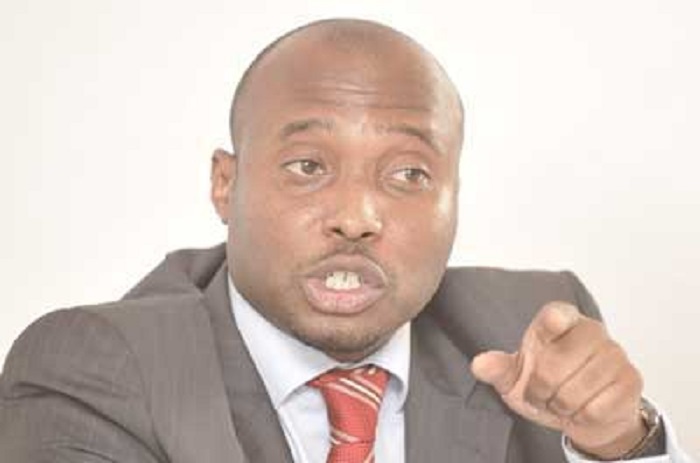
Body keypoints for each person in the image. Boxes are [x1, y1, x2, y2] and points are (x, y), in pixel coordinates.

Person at [0, 18, 693, 463]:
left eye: (408, 174)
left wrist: (615, 443)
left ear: (455, 196)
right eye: (308, 166)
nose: (357, 216)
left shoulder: (530, 331)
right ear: (225, 185)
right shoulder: (96, 370)